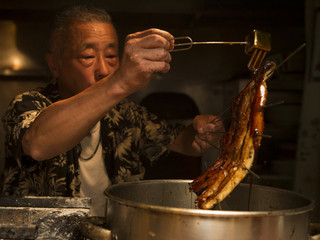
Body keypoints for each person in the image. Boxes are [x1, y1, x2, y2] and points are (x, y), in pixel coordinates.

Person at [1, 5, 224, 216]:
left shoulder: (126, 114)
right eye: (88, 57)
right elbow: (38, 144)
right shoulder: (28, 104)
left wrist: (199, 136)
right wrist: (119, 82)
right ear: (54, 65)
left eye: (111, 56)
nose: (104, 70)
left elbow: (179, 140)